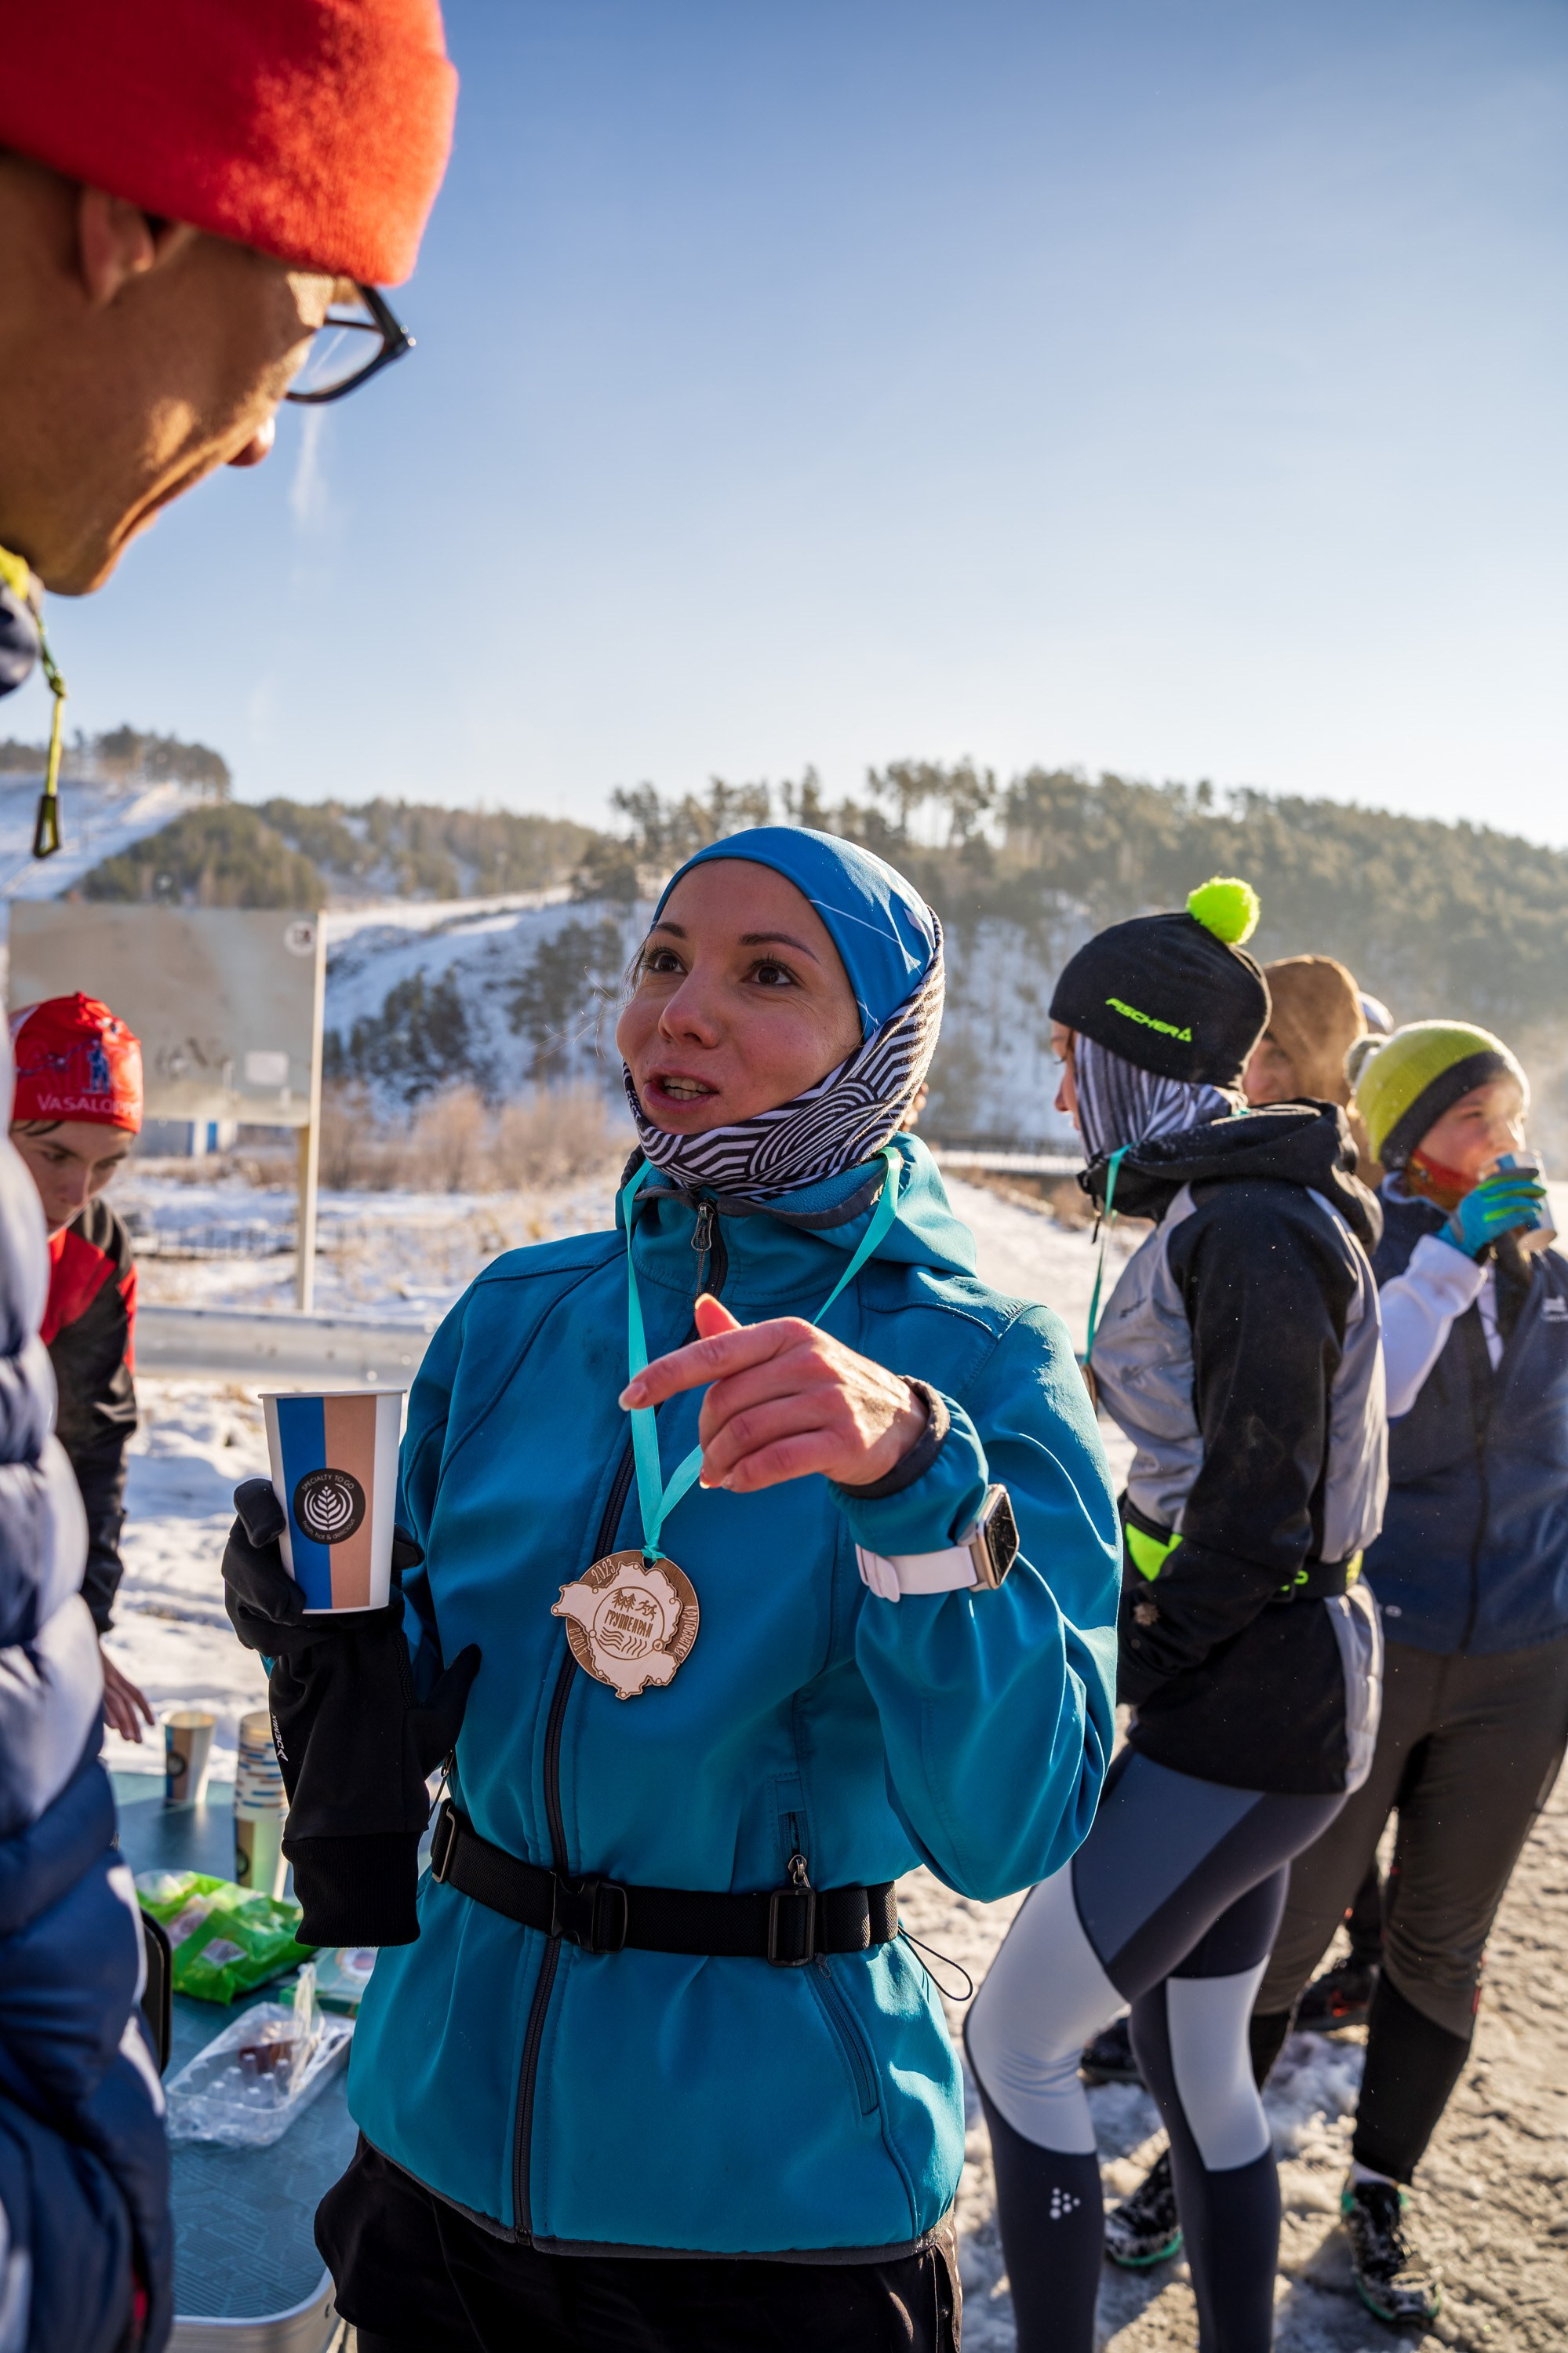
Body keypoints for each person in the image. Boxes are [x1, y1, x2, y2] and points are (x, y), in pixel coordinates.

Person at [220, 825, 1122, 2353]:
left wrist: (912, 1483)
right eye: (662, 960)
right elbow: (450, 1690)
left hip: (771, 2207)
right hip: (436, 2144)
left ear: (883, 1038)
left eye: (766, 972)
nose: (679, 1009)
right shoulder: (518, 1317)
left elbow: (1014, 1822)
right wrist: (332, 1626)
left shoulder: (977, 1359)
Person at [0, 3, 457, 2344]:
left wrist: (63, 1645)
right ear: (136, 203)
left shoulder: (99, 1269)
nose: (279, 420)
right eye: (312, 319)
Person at [966, 877, 1388, 2353]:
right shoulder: (1231, 1203)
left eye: (1077, 1050)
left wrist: (1116, 1654)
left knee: (1013, 2041)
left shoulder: (1254, 1226)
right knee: (1193, 2053)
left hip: (1248, 1703)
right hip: (1267, 1687)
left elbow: (1256, 1504)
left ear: (1141, 1059)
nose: (1061, 1080)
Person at [1228, 1021, 1567, 2328]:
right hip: (1374, 1642)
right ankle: (1190, 2157)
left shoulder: (1547, 1274)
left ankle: (1377, 2188)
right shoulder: (1358, 1254)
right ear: (1408, 1126)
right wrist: (1444, 1258)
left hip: (1521, 1661)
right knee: (1284, 1927)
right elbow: (1350, 1419)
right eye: (1476, 1109)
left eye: (1515, 1109)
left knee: (1437, 1942)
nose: (1506, 1132)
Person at [9, 993, 148, 1742]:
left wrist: (82, 1626)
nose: (76, 1193)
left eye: (105, 1166)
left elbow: (90, 1448)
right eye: (54, 1153)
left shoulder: (94, 1246)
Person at [1241, 955, 1366, 1110]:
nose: (1256, 1087)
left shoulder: (1385, 1131)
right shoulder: (1217, 1127)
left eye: (1279, 1055)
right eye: (1245, 1060)